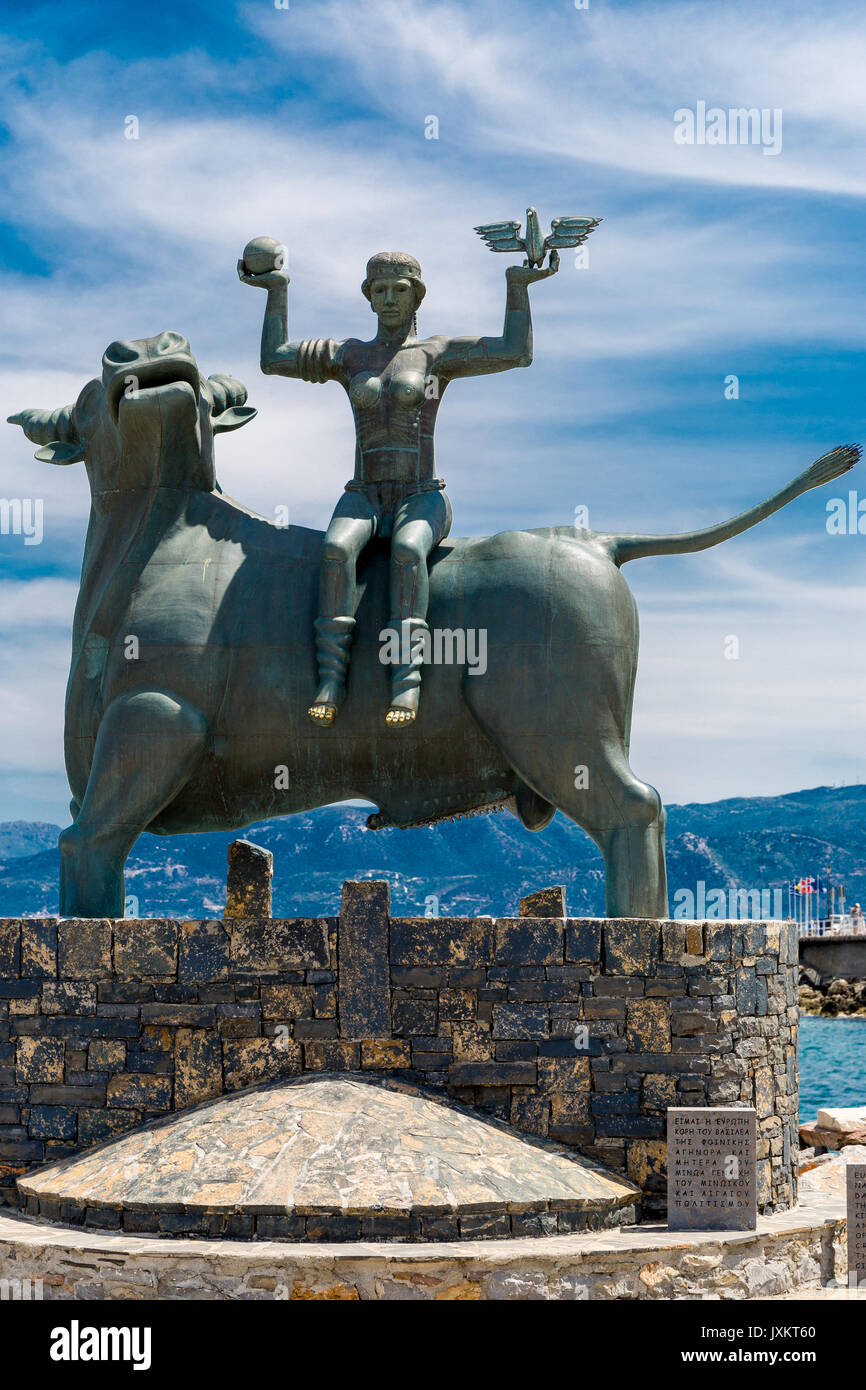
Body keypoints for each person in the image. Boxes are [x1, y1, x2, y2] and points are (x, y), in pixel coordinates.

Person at [239, 246, 558, 726]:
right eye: (380, 290)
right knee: (335, 550)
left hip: (421, 495)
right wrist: (276, 292)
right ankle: (331, 679)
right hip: (364, 494)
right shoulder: (349, 356)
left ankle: (406, 685)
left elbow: (515, 352)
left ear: (416, 297)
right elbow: (275, 359)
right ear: (368, 298)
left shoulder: (437, 353)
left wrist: (518, 285)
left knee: (409, 551)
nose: (389, 299)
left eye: (399, 290)